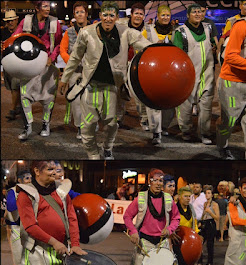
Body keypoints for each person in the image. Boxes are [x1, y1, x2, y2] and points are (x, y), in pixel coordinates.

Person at [59, 1, 151, 160]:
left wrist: (163, 53)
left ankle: (107, 148)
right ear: (100, 16)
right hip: (90, 87)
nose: (108, 18)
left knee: (111, 124)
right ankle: (93, 154)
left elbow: (147, 46)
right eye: (105, 15)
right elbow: (75, 57)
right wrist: (65, 78)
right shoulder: (87, 33)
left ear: (116, 17)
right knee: (88, 125)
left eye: (112, 15)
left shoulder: (125, 32)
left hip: (112, 88)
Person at [16, 161, 87, 265]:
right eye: (49, 169)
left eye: (55, 169)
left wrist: (75, 244)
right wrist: (54, 242)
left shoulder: (62, 192)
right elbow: (30, 226)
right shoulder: (25, 194)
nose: (54, 172)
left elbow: (71, 218)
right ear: (37, 171)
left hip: (61, 250)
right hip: (37, 250)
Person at [122, 168, 180, 265]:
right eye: (155, 180)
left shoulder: (168, 199)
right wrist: (133, 231)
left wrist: (170, 229)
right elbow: (127, 216)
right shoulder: (140, 198)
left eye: (161, 180)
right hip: (145, 241)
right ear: (149, 182)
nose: (159, 183)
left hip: (162, 242)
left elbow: (176, 218)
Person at [14, 1, 62, 140]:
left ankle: (45, 124)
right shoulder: (26, 21)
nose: (48, 9)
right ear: (37, 8)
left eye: (49, 6)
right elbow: (16, 38)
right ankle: (27, 126)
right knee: (24, 96)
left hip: (47, 66)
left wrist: (52, 57)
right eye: (45, 6)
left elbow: (58, 42)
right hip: (29, 65)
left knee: (48, 98)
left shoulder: (54, 22)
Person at [172, 4, 215, 144]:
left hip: (207, 73)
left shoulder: (208, 28)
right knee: (185, 105)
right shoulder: (180, 32)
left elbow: (216, 44)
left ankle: (204, 133)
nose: (197, 14)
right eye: (194, 12)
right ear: (188, 15)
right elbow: (177, 55)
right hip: (188, 75)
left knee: (206, 105)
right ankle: (186, 131)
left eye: (199, 12)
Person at [216, 12, 246, 160]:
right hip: (232, 82)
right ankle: (222, 145)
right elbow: (230, 56)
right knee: (229, 123)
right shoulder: (242, 26)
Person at [141, 5, 173, 144]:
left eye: (167, 15)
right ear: (158, 16)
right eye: (163, 15)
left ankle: (164, 126)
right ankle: (156, 132)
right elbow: (139, 49)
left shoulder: (177, 31)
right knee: (153, 103)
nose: (165, 18)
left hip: (171, 73)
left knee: (170, 102)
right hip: (153, 73)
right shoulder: (147, 30)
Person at [117, 2, 149, 132]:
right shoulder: (121, 26)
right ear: (131, 14)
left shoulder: (148, 29)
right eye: (136, 13)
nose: (138, 16)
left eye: (141, 14)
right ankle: (118, 118)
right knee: (120, 93)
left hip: (140, 66)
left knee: (140, 94)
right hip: (123, 64)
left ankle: (144, 119)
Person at [60, 1, 89, 140]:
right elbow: (62, 50)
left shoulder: (94, 30)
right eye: (77, 12)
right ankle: (79, 127)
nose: (79, 14)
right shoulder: (69, 32)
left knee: (90, 100)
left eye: (82, 12)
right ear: (74, 15)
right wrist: (72, 61)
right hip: (75, 71)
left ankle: (89, 124)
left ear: (86, 14)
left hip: (90, 72)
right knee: (76, 101)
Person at [2, 170, 32, 265]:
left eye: (31, 178)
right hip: (15, 229)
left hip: (28, 230)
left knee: (27, 261)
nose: (30, 180)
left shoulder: (32, 191)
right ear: (19, 180)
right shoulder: (13, 192)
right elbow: (12, 206)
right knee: (20, 263)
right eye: (26, 178)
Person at [170, 186, 200, 265]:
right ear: (179, 197)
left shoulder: (191, 208)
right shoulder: (174, 209)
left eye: (189, 196)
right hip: (175, 241)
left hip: (188, 243)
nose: (188, 199)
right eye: (185, 196)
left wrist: (197, 235)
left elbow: (195, 222)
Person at [1, 10, 21, 121]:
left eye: (12, 20)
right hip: (6, 63)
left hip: (18, 64)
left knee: (15, 86)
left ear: (16, 20)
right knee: (11, 88)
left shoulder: (21, 31)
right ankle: (18, 107)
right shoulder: (3, 32)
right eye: (8, 21)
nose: (10, 22)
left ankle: (13, 110)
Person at [196, 185, 219, 265]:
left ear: (212, 195)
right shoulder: (205, 203)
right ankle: (199, 261)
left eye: (209, 193)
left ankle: (210, 262)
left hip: (211, 223)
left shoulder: (215, 204)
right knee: (200, 242)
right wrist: (200, 222)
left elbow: (217, 217)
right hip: (204, 223)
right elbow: (203, 214)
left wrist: (210, 212)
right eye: (206, 193)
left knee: (210, 244)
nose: (207, 195)